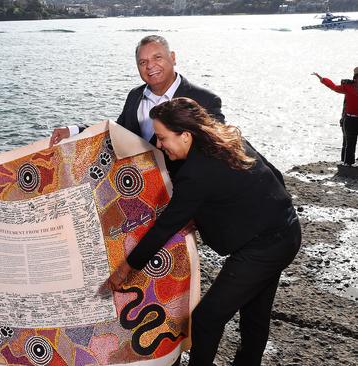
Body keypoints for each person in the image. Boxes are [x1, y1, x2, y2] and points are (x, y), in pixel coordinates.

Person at [102, 98, 301, 366]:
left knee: (207, 319)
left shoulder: (196, 172)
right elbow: (275, 175)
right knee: (255, 315)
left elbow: (165, 227)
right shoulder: (226, 137)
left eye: (162, 138)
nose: (159, 145)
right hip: (285, 228)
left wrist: (126, 268)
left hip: (267, 245)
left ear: (185, 136)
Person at [50, 35, 224, 176]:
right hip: (139, 189)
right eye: (143, 62)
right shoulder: (134, 96)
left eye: (157, 57)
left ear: (173, 58)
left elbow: (217, 155)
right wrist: (74, 131)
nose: (150, 66)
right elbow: (117, 132)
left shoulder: (205, 101)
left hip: (185, 195)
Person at [312, 68, 358, 166]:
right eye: (357, 78)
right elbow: (333, 87)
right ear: (354, 78)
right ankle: (348, 165)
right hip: (349, 119)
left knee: (350, 143)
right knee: (350, 144)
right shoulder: (347, 87)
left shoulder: (348, 86)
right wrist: (322, 79)